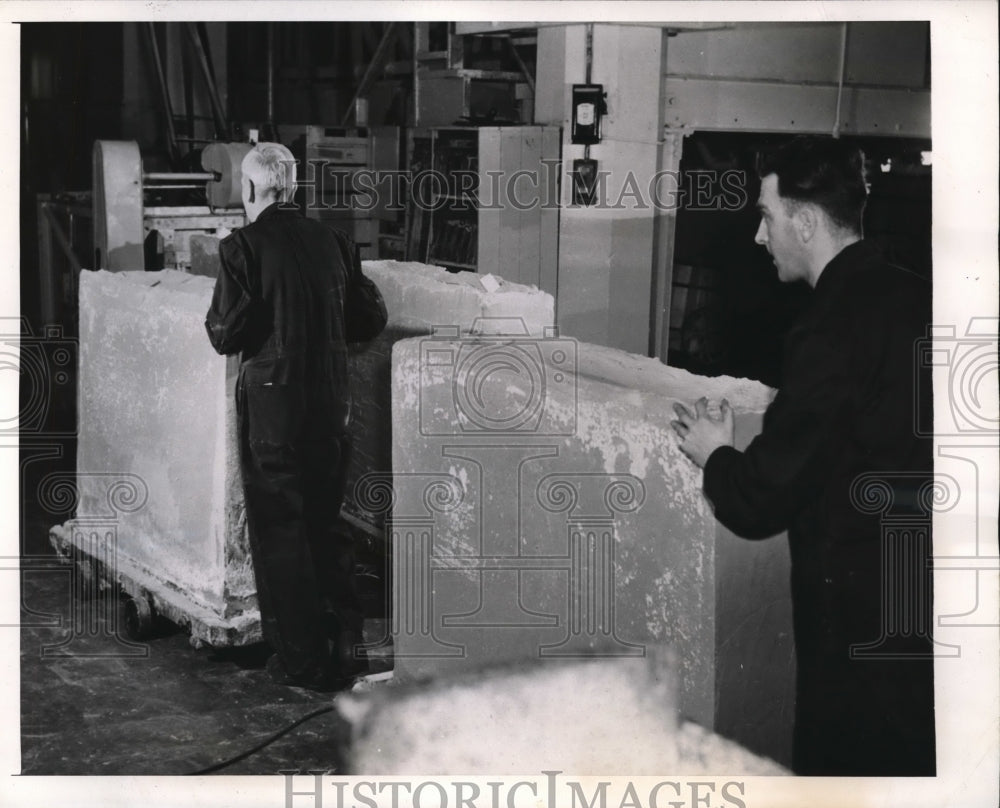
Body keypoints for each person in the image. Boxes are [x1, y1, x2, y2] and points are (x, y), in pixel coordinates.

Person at [671, 136, 935, 775]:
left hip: (854, 608)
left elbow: (763, 497)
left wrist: (716, 453)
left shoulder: (828, 326)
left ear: (807, 220)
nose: (760, 237)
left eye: (766, 216)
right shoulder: (916, 296)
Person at [205, 142, 387, 690]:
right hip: (331, 407)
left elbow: (224, 334)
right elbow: (369, 317)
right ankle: (348, 649)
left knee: (281, 529)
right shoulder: (332, 240)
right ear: (293, 187)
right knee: (327, 524)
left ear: (253, 189)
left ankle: (302, 661)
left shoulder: (242, 248)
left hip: (274, 411)